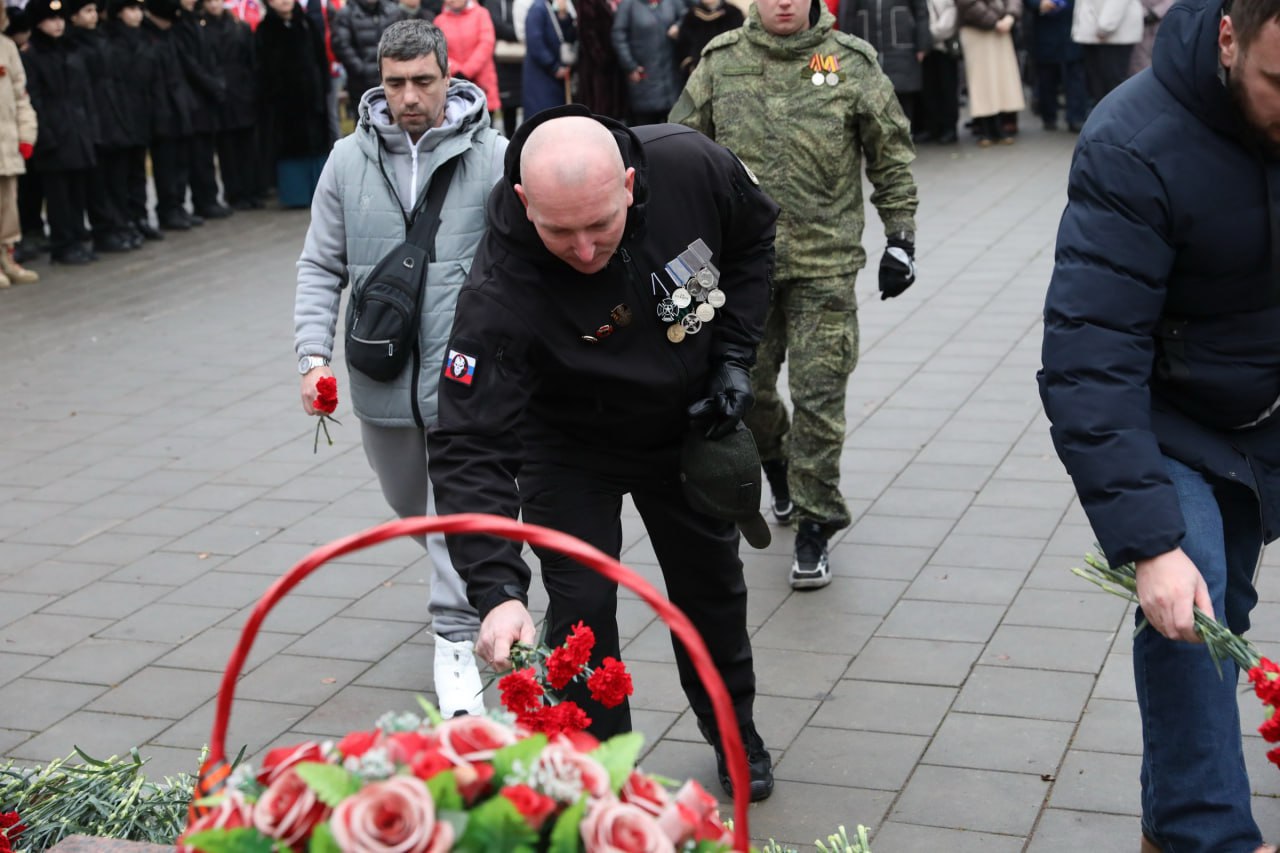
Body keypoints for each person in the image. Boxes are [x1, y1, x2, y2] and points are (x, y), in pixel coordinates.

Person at [425, 105, 780, 801]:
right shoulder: (501, 288)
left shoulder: (691, 165)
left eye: (600, 225)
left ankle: (734, 731)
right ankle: (602, 773)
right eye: (560, 231)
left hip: (684, 425)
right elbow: (469, 441)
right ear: (525, 203)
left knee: (710, 593)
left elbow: (752, 240)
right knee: (582, 610)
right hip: (568, 446)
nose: (585, 250)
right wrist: (496, 590)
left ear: (627, 183)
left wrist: (734, 357)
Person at [1039, 0, 1280, 849]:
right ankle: (1207, 837)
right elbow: (1089, 357)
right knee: (1193, 596)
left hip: (1267, 404)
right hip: (1166, 413)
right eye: (1278, 82)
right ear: (1228, 38)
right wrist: (1150, 543)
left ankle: (1167, 818)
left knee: (1226, 617)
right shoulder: (1133, 141)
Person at [294, 18, 506, 718]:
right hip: (380, 376)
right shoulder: (345, 161)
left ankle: (456, 636)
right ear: (378, 83)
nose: (409, 96)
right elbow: (320, 263)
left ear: (450, 76)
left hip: (468, 379)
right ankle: (459, 573)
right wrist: (312, 357)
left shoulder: (497, 157)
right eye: (395, 83)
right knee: (410, 506)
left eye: (423, 81)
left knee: (454, 510)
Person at [671, 0, 918, 590]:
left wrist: (901, 239)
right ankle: (777, 464)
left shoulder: (851, 63)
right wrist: (677, 258)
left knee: (819, 397)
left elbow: (892, 153)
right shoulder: (720, 62)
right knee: (747, 394)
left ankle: (815, 522)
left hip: (825, 266)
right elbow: (680, 152)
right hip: (739, 273)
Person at [22, 0, 98, 264]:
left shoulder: (72, 50)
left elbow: (85, 93)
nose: (57, 24)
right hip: (54, 131)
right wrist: (46, 135)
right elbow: (35, 99)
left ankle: (77, 237)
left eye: (60, 18)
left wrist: (90, 127)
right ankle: (63, 243)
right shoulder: (32, 56)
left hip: (77, 129)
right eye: (50, 19)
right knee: (58, 195)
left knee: (78, 189)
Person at [255, 0, 330, 207]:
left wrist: (323, 88)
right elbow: (262, 70)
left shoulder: (307, 23)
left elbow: (321, 59)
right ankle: (295, 195)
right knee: (291, 151)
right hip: (284, 107)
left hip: (313, 101)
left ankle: (322, 191)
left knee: (318, 148)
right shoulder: (265, 30)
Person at [102, 0, 158, 244]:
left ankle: (139, 216)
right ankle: (122, 220)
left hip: (141, 110)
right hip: (119, 113)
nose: (137, 14)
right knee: (119, 174)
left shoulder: (144, 37)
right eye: (131, 9)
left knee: (137, 170)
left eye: (138, 9)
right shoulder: (111, 41)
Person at [142, 0, 201, 231]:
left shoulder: (172, 34)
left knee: (180, 162)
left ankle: (178, 205)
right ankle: (167, 209)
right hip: (160, 108)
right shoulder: (148, 37)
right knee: (165, 164)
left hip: (179, 105)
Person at [202, 0, 262, 210]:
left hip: (242, 92)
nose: (214, 4)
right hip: (220, 95)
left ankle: (252, 189)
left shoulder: (239, 26)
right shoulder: (203, 30)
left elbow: (251, 60)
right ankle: (234, 193)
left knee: (247, 145)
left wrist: (251, 88)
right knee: (227, 148)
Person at [838, 0, 928, 120]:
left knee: (902, 100)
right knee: (870, 104)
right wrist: (846, 46)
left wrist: (922, 44)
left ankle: (904, 136)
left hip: (901, 49)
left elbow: (921, 12)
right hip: (867, 49)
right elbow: (847, 14)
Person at [0, 3, 38, 286]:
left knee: (8, 205)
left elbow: (21, 95)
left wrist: (26, 135)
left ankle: (6, 256)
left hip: (6, 142)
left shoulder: (6, 47)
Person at [956, 0, 1025, 144]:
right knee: (981, 81)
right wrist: (995, 21)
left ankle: (1000, 126)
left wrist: (1010, 17)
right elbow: (967, 4)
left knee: (1001, 79)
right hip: (976, 30)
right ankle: (985, 128)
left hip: (1002, 28)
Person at [610, 0, 682, 124]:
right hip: (643, 76)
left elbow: (687, 15)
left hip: (671, 77)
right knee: (646, 129)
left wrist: (678, 26)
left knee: (673, 128)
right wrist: (630, 66)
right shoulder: (629, 5)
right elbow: (619, 37)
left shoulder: (671, 3)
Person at [433, 0, 499, 124]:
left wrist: (467, 70)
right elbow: (439, 50)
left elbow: (487, 43)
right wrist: (456, 69)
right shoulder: (439, 21)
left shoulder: (481, 14)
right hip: (454, 82)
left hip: (482, 81)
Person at [330, 0, 402, 113]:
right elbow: (341, 45)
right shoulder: (346, 14)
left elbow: (403, 40)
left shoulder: (392, 11)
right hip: (361, 84)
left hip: (394, 78)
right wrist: (362, 70)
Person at [1024, 0, 1086, 131]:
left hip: (1070, 30)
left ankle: (1076, 118)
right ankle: (1049, 117)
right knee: (1046, 79)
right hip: (1045, 30)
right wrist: (1039, 4)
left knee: (1075, 78)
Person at [1070, 0, 1140, 102]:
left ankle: (1113, 117)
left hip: (1111, 36)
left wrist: (1105, 27)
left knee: (1112, 86)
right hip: (1095, 35)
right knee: (1098, 86)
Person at [521, 0, 574, 117]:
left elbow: (564, 35)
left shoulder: (551, 8)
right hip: (541, 76)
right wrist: (554, 66)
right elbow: (535, 42)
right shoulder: (538, 8)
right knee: (542, 117)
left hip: (553, 76)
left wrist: (564, 17)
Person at [673, 0, 743, 78]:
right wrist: (691, 68)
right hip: (700, 78)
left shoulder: (733, 14)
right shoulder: (691, 18)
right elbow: (682, 50)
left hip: (729, 76)